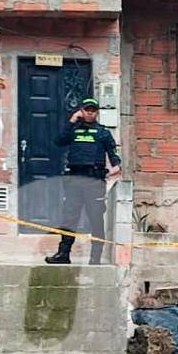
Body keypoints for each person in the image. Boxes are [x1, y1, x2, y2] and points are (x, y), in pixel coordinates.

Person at [45, 97, 120, 265]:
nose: (90, 113)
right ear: (81, 111)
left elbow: (114, 157)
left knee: (95, 219)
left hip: (94, 181)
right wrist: (71, 121)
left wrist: (114, 168)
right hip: (75, 180)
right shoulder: (74, 130)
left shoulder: (103, 132)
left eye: (93, 110)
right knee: (69, 218)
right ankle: (63, 254)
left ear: (97, 112)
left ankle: (95, 258)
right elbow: (59, 141)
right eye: (87, 110)